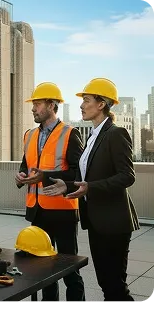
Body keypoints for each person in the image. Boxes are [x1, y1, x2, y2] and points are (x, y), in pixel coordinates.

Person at [42, 78, 139, 302]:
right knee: (106, 283)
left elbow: (127, 175)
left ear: (101, 104)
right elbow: (86, 178)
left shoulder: (116, 133)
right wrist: (66, 185)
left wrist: (90, 188)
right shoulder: (93, 136)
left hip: (113, 222)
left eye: (86, 100)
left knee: (115, 285)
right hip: (96, 220)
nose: (82, 105)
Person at [16, 82, 85, 303]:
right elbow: (26, 165)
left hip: (62, 211)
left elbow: (78, 172)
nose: (33, 108)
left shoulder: (70, 133)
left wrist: (44, 177)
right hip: (37, 211)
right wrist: (21, 176)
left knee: (69, 270)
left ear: (52, 105)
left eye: (37, 104)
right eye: (33, 104)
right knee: (42, 271)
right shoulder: (29, 135)